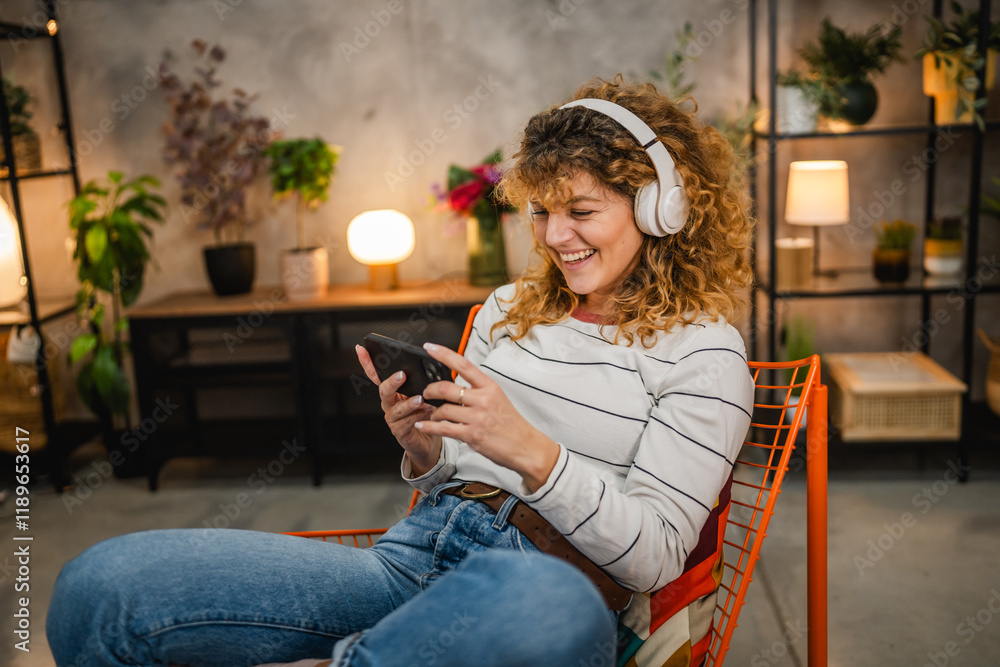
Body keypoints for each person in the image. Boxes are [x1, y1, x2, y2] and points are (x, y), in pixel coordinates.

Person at [46, 76, 754, 667]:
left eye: (582, 210)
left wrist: (532, 452)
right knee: (99, 590)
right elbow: (457, 470)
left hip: (547, 589)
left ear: (664, 208)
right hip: (412, 558)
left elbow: (657, 557)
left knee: (543, 602)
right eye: (540, 212)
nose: (554, 236)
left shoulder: (705, 354)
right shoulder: (511, 307)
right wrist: (427, 447)